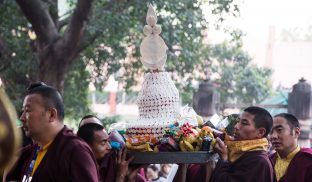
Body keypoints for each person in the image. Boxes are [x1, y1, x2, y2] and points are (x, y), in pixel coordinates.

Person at [4, 82, 99, 182]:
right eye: (23, 111)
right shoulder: (30, 152)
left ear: (51, 115)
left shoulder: (75, 150)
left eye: (28, 110)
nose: (22, 118)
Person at [209, 106, 276, 182]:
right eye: (238, 122)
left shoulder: (259, 161)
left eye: (244, 123)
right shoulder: (243, 153)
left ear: (260, 132)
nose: (236, 126)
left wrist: (224, 159)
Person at [77, 115, 146, 182]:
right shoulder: (78, 168)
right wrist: (120, 176)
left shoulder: (116, 162)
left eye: (108, 141)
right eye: (103, 143)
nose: (109, 146)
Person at [269, 113, 312, 182]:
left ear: (296, 132)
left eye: (279, 130)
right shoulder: (268, 161)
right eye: (271, 132)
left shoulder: (308, 160)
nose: (273, 136)